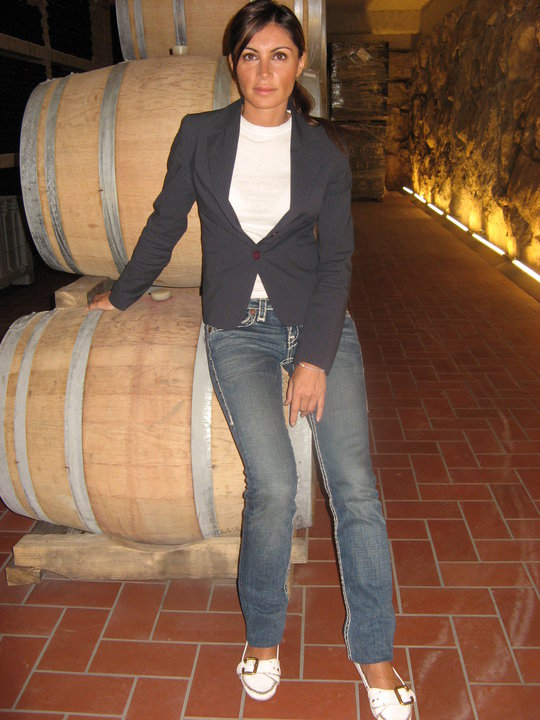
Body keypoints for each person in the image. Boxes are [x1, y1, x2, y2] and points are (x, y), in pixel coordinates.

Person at [89, 2, 416, 717]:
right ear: (233, 62)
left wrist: (315, 357)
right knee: (272, 485)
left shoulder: (326, 151)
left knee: (355, 486)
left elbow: (338, 259)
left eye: (279, 55)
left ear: (300, 65)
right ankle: (264, 636)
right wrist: (122, 293)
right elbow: (166, 222)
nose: (264, 70)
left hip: (316, 323)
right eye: (250, 55)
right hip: (237, 330)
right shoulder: (200, 134)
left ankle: (375, 649)